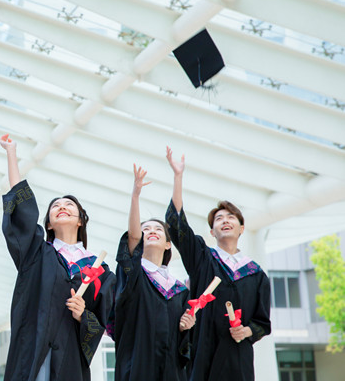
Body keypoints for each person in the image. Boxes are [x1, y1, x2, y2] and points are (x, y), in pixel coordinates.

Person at [0, 135, 115, 381]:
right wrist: (11, 153)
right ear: (49, 224)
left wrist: (83, 315)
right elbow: (23, 212)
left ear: (81, 219)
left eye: (69, 205)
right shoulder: (37, 254)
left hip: (70, 357)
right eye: (56, 206)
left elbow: (104, 321)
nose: (62, 206)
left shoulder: (98, 268)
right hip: (35, 349)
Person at [165, 146, 271, 381]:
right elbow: (177, 227)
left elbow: (263, 322)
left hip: (238, 359)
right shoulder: (202, 259)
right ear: (212, 232)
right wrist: (178, 177)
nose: (225, 221)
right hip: (204, 356)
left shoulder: (256, 275)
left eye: (231, 217)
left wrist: (247, 331)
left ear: (241, 228)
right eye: (218, 219)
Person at [114, 164, 195, 380]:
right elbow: (131, 239)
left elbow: (184, 345)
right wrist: (135, 195)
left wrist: (185, 327)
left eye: (158, 229)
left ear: (169, 244)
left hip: (171, 371)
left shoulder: (179, 290)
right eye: (145, 229)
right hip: (138, 365)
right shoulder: (134, 276)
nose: (151, 231)